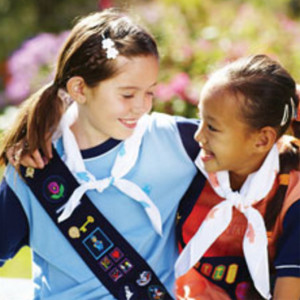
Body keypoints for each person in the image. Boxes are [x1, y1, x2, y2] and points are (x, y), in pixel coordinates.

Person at [0, 8, 201, 299]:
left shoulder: (177, 142)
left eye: (150, 92)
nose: (142, 106)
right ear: (79, 88)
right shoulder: (34, 166)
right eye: (128, 94)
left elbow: (251, 134)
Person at [175, 54, 300, 300]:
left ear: (262, 139)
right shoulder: (187, 159)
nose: (199, 136)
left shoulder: (293, 197)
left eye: (212, 127)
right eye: (201, 120)